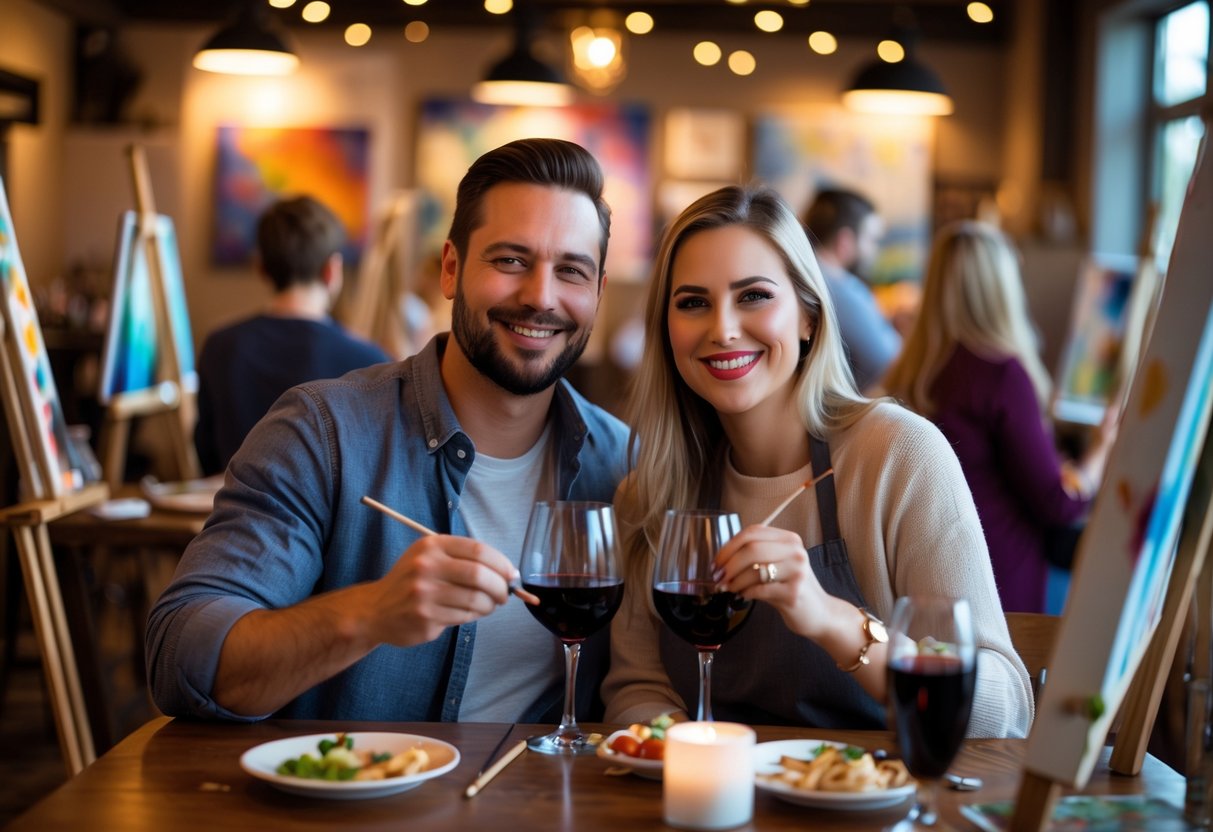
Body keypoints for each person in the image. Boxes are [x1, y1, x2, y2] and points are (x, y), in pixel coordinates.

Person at [147, 138, 629, 723]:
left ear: (598, 292)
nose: (540, 297)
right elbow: (180, 658)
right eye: (510, 260)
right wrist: (368, 614)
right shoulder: (322, 435)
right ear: (451, 268)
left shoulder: (626, 467)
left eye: (571, 271)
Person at [602, 185, 1031, 737]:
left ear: (808, 316)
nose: (723, 328)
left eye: (753, 295)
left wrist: (834, 620)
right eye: (692, 303)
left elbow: (1003, 710)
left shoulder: (900, 457)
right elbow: (639, 688)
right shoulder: (649, 491)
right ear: (667, 329)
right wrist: (691, 762)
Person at [883, 221, 1116, 613]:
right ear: (1000, 289)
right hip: (998, 584)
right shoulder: (1001, 374)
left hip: (923, 576)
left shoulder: (911, 372)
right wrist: (1102, 451)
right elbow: (1056, 503)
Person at [193, 195, 392, 475]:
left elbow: (206, 452)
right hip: (326, 519)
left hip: (236, 510)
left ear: (260, 267)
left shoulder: (220, 346)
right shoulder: (371, 360)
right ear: (331, 270)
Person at [803, 188, 901, 393]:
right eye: (871, 240)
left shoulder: (801, 276)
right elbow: (890, 361)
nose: (874, 250)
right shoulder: (843, 289)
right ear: (845, 242)